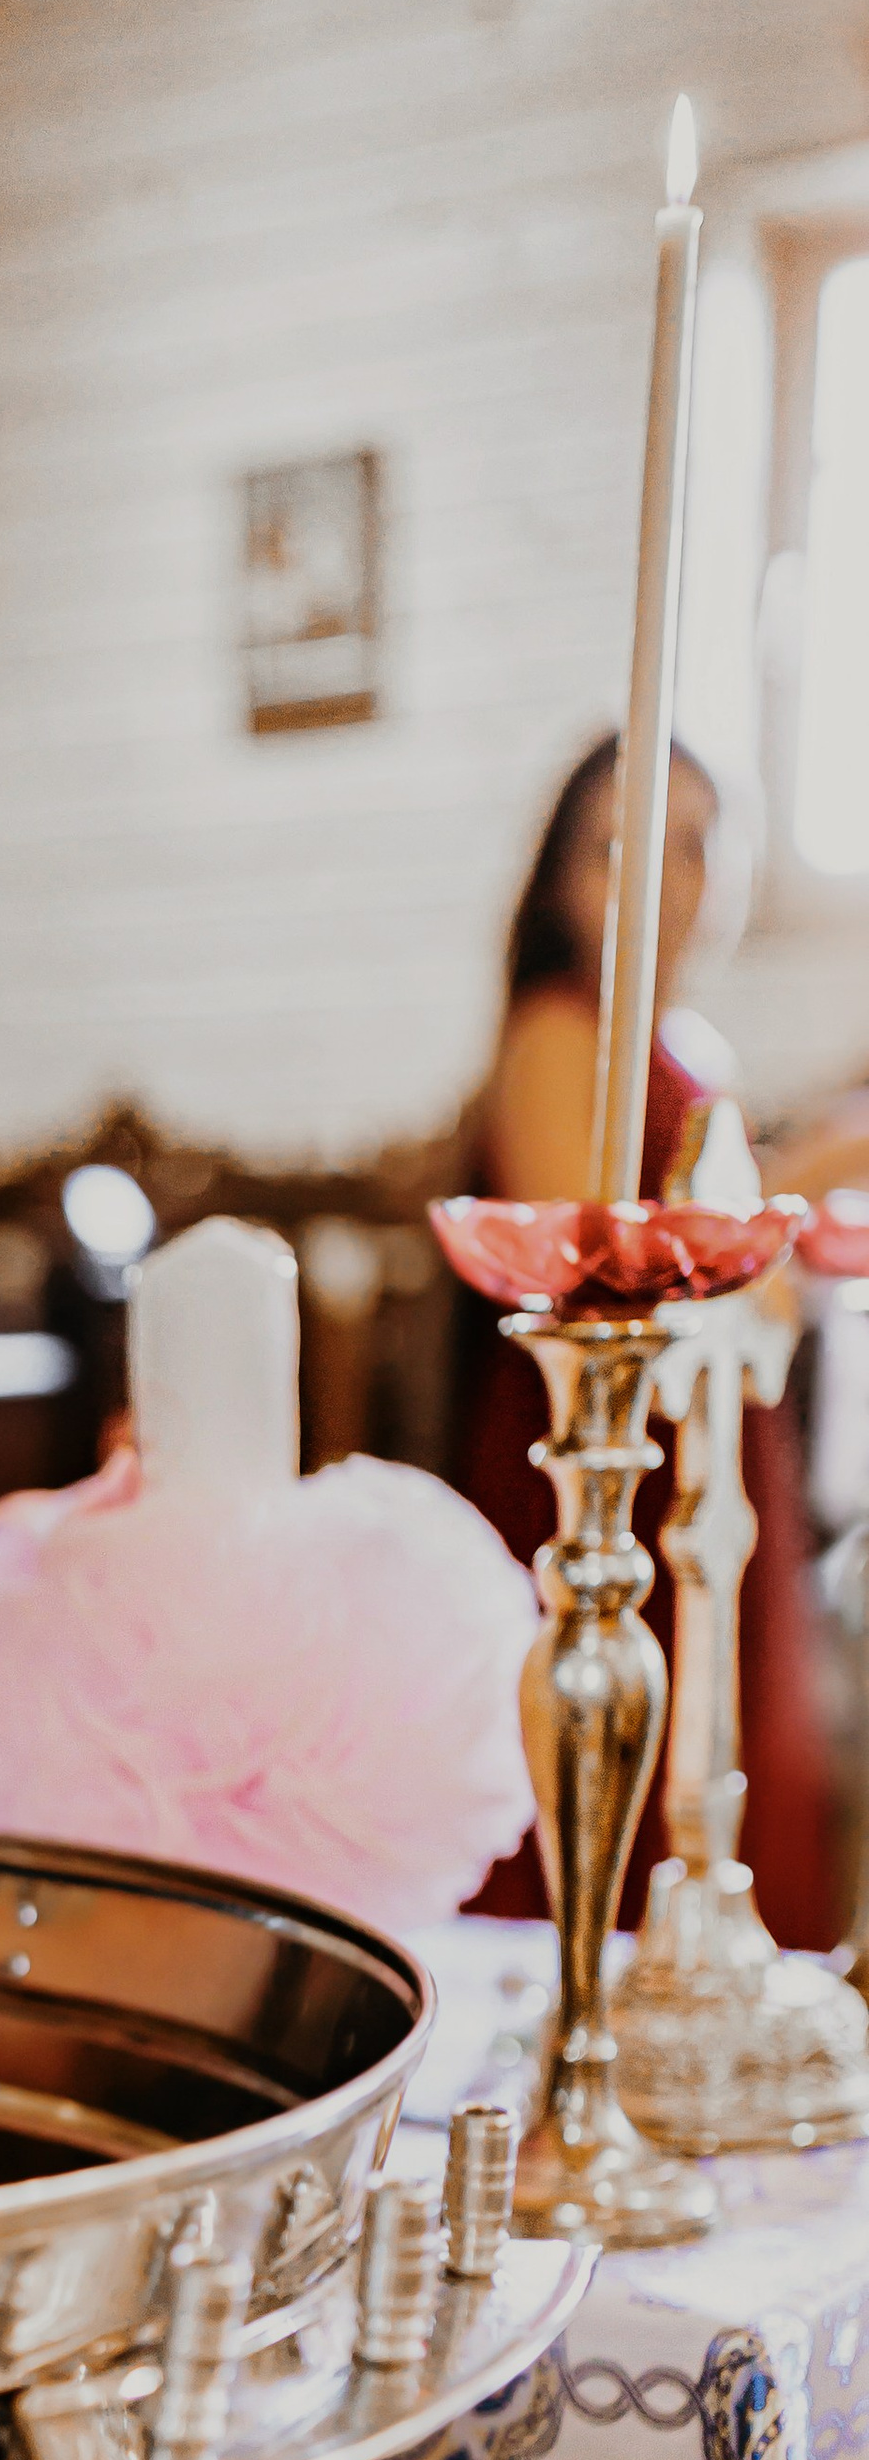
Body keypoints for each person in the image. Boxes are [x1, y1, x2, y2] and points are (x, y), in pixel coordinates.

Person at [454, 732, 838, 1947]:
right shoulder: (558, 1036)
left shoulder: (689, 1050)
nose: (660, 882)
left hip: (716, 1459)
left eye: (688, 845)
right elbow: (600, 1264)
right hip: (600, 1472)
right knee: (613, 1785)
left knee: (729, 1761)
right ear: (562, 876)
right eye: (616, 848)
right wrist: (812, 1170)